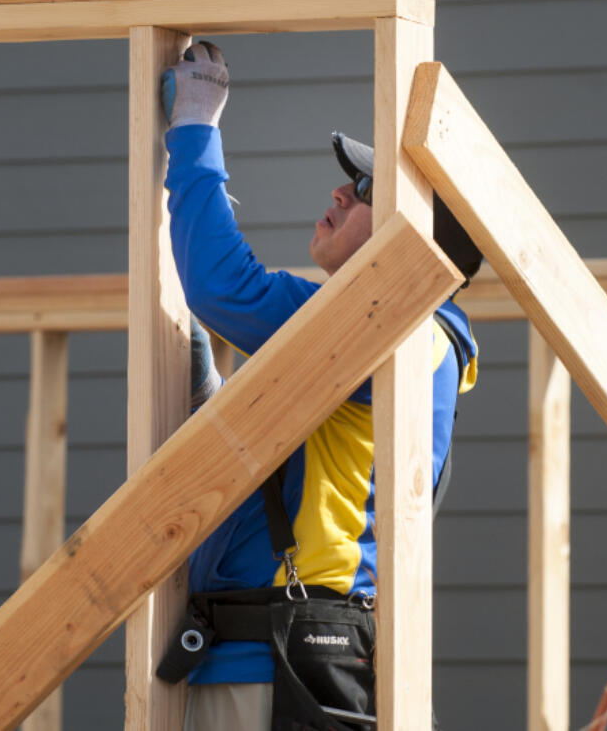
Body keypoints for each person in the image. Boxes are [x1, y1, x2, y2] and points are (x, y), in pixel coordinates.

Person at [155, 41, 480, 731]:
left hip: (279, 664)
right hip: (276, 656)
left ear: (419, 235)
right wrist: (215, 399)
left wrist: (195, 129)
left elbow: (222, 285)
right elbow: (305, 472)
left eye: (366, 190)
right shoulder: (403, 341)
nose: (339, 192)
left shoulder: (395, 327)